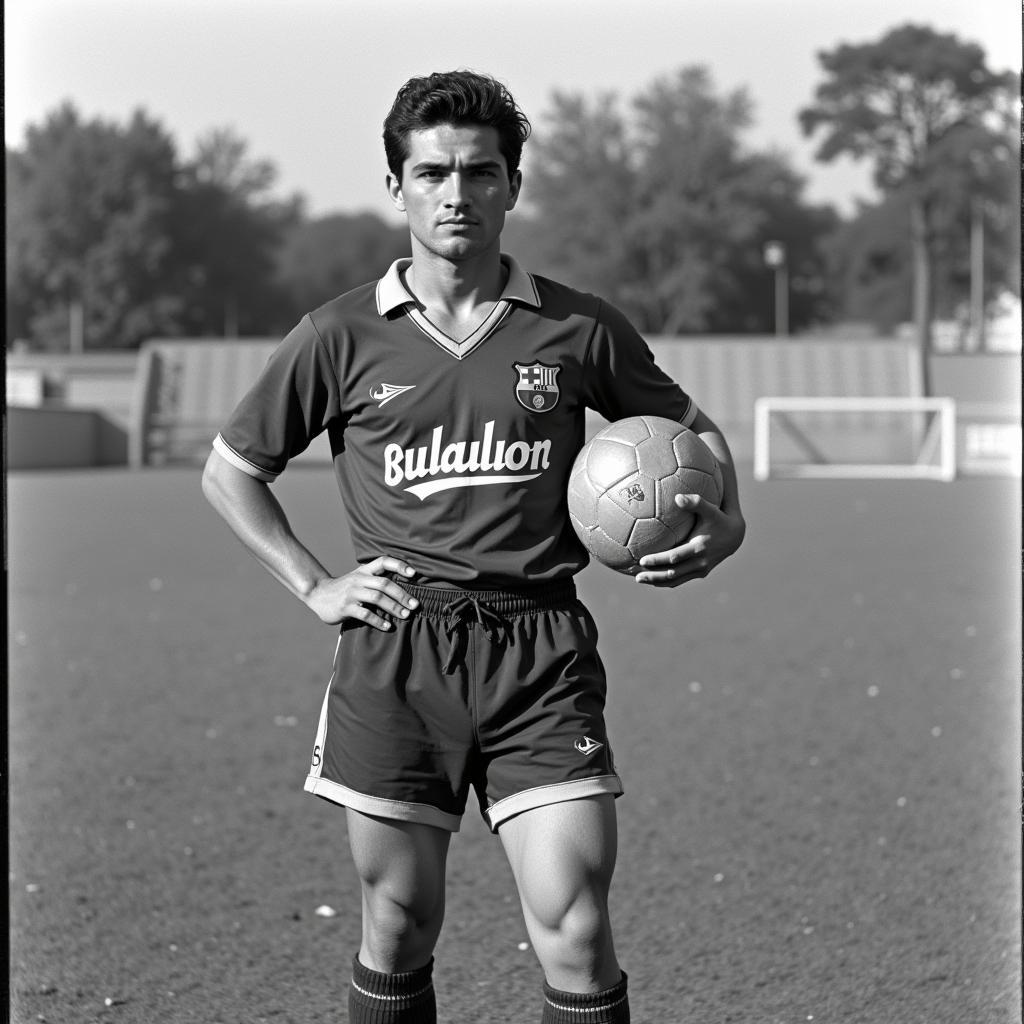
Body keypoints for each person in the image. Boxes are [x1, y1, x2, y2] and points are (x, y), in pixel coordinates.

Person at [202, 70, 745, 1024]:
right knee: (400, 922)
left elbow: (696, 435)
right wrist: (316, 585)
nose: (458, 194)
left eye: (481, 173)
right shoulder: (340, 334)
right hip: (399, 648)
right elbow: (230, 470)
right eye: (434, 174)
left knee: (577, 930)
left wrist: (725, 524)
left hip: (540, 651)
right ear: (398, 188)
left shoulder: (577, 326)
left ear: (513, 186)